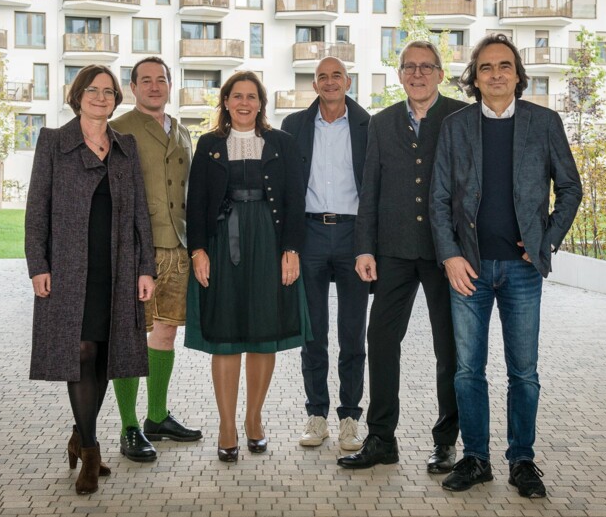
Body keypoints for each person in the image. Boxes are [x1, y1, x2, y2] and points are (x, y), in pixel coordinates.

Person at [431, 34, 582, 498]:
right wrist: (451, 255)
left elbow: (570, 189)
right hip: (469, 269)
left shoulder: (545, 122)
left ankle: (523, 462)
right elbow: (438, 199)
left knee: (524, 372)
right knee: (467, 371)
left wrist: (546, 241)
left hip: (521, 271)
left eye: (504, 66)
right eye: (486, 68)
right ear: (474, 79)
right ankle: (476, 458)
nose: (496, 74)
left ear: (518, 74)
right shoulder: (456, 126)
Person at [25, 65, 156, 495]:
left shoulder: (126, 146)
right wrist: (38, 264)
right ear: (77, 95)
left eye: (108, 91)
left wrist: (145, 267)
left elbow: (139, 212)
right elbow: (36, 209)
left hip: (116, 266)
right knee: (79, 350)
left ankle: (80, 436)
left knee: (103, 354)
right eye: (93, 90)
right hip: (68, 266)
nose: (101, 97)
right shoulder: (53, 142)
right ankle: (92, 449)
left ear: (117, 99)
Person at [338, 41, 466, 471]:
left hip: (444, 252)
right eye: (409, 67)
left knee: (448, 348)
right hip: (392, 251)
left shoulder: (461, 116)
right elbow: (369, 188)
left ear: (440, 73)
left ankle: (446, 440)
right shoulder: (382, 122)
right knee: (381, 341)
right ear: (399, 74)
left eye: (426, 67)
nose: (417, 74)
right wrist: (364, 246)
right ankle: (380, 439)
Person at [185, 71, 310, 463]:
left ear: (261, 103)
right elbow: (198, 203)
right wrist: (198, 250)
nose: (243, 103)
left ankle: (254, 420)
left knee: (262, 331)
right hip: (223, 245)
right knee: (225, 333)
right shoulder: (208, 144)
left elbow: (294, 200)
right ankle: (226, 425)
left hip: (269, 244)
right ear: (225, 102)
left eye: (251, 97)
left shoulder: (282, 143)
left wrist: (291, 249)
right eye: (236, 96)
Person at [109, 57, 202, 463]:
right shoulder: (119, 130)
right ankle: (130, 425)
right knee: (130, 336)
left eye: (160, 79)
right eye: (145, 80)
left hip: (177, 248)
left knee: (164, 333)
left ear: (170, 84)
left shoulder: (181, 130)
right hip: (135, 250)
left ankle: (157, 417)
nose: (153, 86)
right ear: (132, 88)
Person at [280, 57, 370, 452]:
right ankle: (316, 414)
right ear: (314, 84)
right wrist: (288, 246)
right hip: (310, 233)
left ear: (348, 81)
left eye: (337, 75)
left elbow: (377, 188)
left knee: (353, 335)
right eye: (322, 77)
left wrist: (373, 244)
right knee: (312, 333)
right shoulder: (294, 126)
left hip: (354, 236)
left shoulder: (370, 125)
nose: (330, 82)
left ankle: (350, 417)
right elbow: (284, 190)